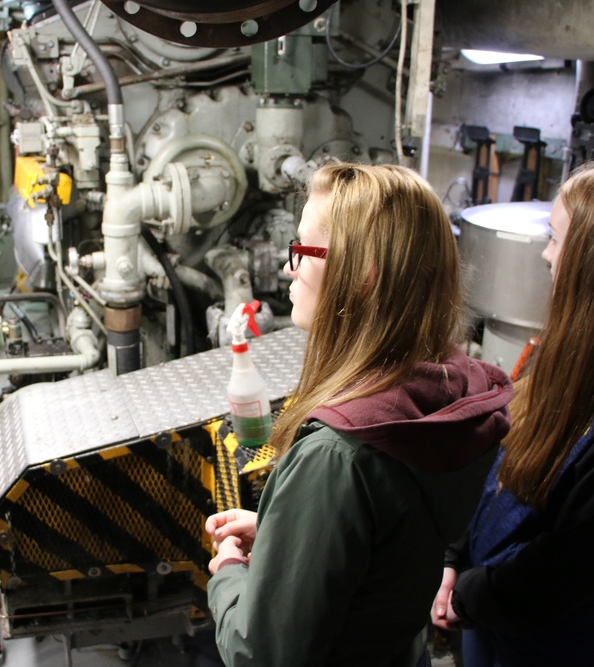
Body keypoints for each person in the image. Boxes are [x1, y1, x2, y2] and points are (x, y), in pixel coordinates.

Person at [206, 163, 513, 666]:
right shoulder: (451, 394)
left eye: (301, 251)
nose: (289, 269)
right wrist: (288, 532)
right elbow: (388, 546)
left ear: (364, 274)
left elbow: (261, 652)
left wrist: (230, 574)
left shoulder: (337, 456)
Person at [430, 163, 594, 666]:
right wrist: (456, 557)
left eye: (556, 239)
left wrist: (470, 595)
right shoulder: (573, 352)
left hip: (554, 640)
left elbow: (568, 566)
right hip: (490, 614)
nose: (546, 254)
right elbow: (502, 471)